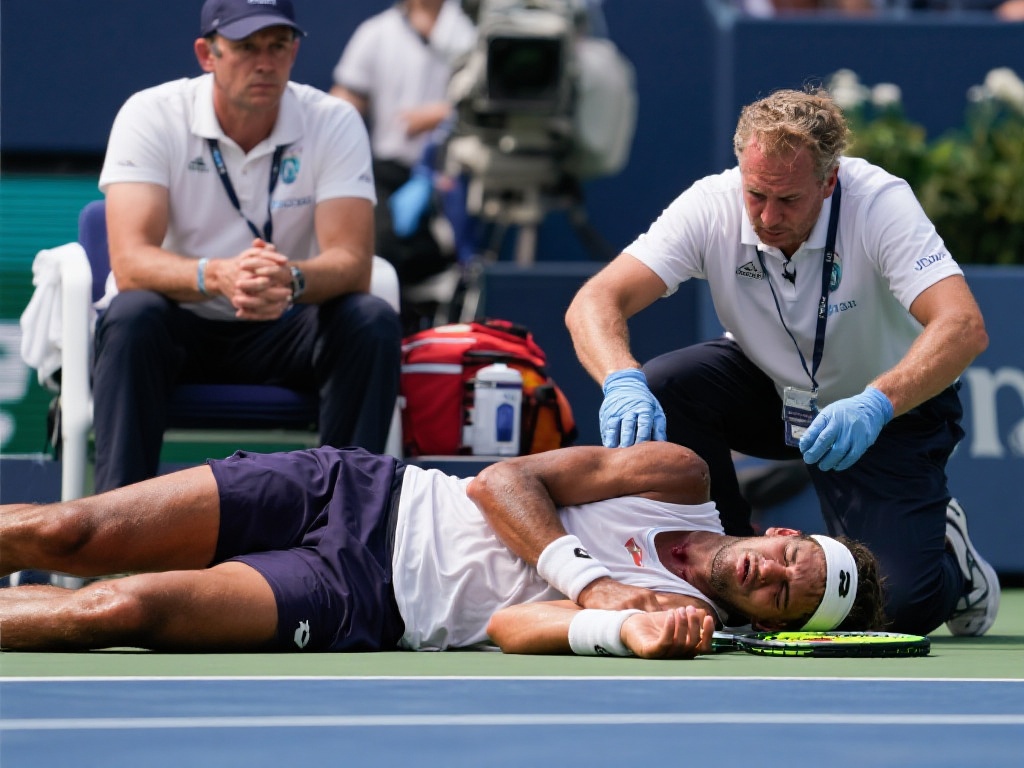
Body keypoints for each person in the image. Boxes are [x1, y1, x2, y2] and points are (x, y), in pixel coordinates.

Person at [565, 87, 999, 638]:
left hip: (885, 409)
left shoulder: (880, 202)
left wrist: (876, 402)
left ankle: (954, 561)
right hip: (770, 389)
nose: (767, 216)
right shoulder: (712, 203)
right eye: (756, 195)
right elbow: (595, 301)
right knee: (667, 384)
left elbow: (962, 325)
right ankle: (732, 586)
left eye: (788, 200)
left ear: (828, 181)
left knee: (895, 608)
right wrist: (620, 379)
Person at [0, 441, 886, 656]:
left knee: (116, 608)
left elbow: (506, 628)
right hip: (358, 488)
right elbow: (500, 481)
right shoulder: (679, 475)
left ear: (765, 620)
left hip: (357, 596)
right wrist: (590, 585)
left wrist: (619, 631)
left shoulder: (678, 621)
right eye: (790, 562)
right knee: (68, 533)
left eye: (781, 600)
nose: (770, 576)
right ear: (782, 532)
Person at [91, 0, 402, 492]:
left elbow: (352, 262)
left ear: (295, 51)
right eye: (245, 47)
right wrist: (216, 275)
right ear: (206, 54)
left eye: (278, 46)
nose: (264, 62)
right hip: (179, 326)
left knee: (370, 318)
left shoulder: (334, 120)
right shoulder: (151, 113)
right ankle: (112, 534)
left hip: (284, 327)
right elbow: (130, 263)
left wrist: (290, 279)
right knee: (132, 314)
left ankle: (350, 529)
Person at [330, 0, 476, 331]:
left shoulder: (473, 31)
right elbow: (346, 99)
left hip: (457, 179)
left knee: (463, 272)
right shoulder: (375, 33)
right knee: (379, 253)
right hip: (387, 177)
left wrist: (442, 113)